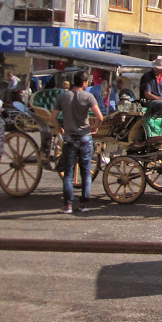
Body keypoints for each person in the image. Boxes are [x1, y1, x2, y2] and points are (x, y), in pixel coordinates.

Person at [51, 71, 103, 214]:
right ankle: (84, 204)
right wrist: (95, 127)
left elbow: (53, 117)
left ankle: (68, 204)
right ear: (85, 83)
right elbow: (100, 117)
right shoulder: (88, 97)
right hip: (85, 138)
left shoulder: (63, 96)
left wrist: (60, 129)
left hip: (69, 138)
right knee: (86, 173)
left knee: (68, 174)